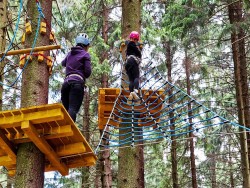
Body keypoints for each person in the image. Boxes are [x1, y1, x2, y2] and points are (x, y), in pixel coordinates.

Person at [61, 33, 92, 122]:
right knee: (73, 108)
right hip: (77, 84)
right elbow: (87, 73)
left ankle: (64, 128)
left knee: (66, 110)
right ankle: (69, 130)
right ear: (85, 45)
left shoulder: (70, 54)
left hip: (66, 84)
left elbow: (63, 63)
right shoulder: (85, 55)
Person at [125, 31, 142, 104]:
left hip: (127, 63)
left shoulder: (128, 45)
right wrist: (139, 49)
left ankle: (131, 94)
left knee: (131, 80)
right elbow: (139, 54)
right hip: (133, 61)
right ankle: (135, 91)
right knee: (136, 77)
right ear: (135, 39)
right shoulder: (132, 44)